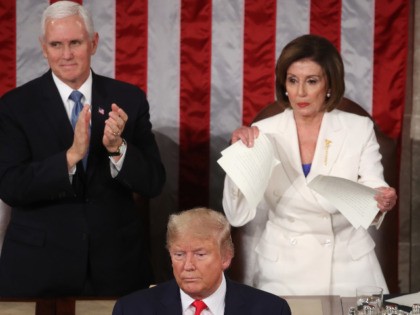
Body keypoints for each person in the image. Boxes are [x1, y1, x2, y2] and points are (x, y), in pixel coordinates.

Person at [0, 1, 165, 297]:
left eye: (75, 43)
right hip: (39, 269)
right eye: (56, 44)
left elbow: (154, 182)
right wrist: (70, 157)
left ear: (93, 42)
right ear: (43, 47)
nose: (66, 54)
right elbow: (11, 187)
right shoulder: (15, 106)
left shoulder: (128, 98)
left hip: (118, 266)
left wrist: (118, 149)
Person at [222, 34, 397, 297]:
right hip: (281, 271)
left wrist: (380, 201)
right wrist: (239, 159)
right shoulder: (262, 132)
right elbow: (237, 215)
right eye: (293, 81)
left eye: (311, 81)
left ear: (329, 84)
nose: (300, 92)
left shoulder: (358, 128)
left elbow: (374, 185)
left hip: (349, 269)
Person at [112, 207, 291, 315]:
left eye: (200, 254)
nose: (188, 266)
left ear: (226, 257)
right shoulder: (131, 310)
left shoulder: (270, 310)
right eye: (179, 254)